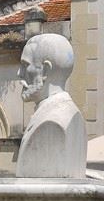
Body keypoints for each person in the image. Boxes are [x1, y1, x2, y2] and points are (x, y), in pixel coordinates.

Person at [16, 32, 86, 179]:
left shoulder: (54, 120)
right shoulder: (68, 115)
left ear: (45, 70)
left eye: (25, 65)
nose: (19, 73)